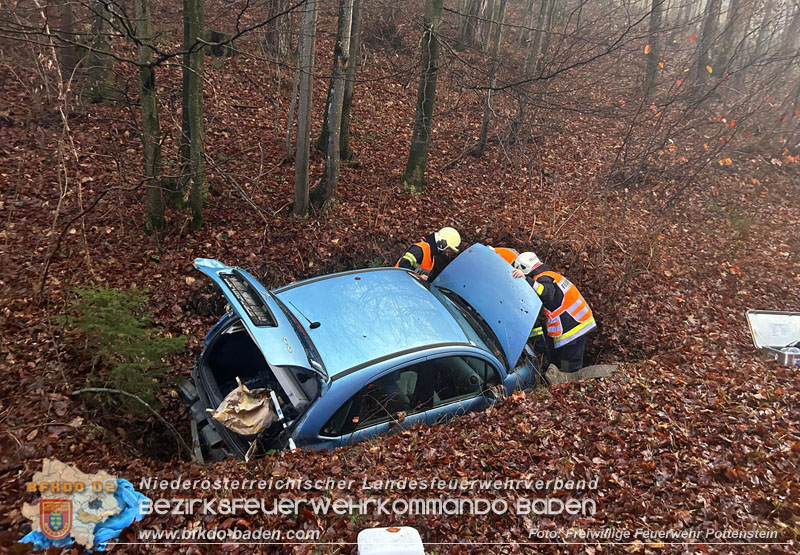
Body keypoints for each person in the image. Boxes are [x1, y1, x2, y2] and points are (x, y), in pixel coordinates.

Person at [512, 252, 596, 373]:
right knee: (557, 360)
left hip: (572, 328)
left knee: (569, 367)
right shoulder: (550, 275)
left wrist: (527, 280)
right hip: (575, 324)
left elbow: (547, 293)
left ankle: (569, 388)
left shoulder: (542, 278)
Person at [395, 227, 461, 281]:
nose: (447, 252)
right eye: (448, 249)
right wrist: (417, 277)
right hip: (396, 280)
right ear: (442, 243)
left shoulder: (431, 258)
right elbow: (403, 265)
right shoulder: (420, 250)